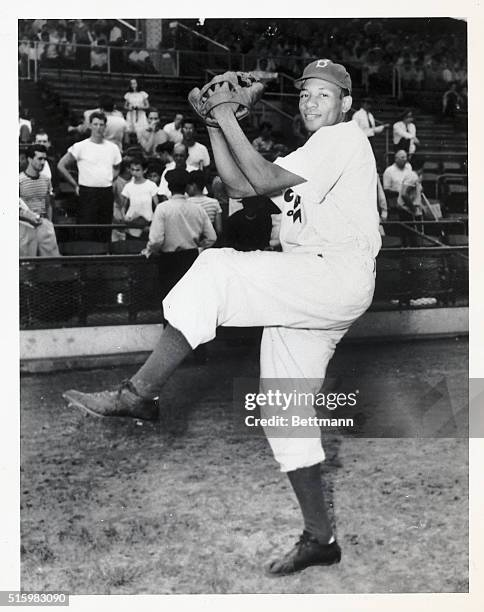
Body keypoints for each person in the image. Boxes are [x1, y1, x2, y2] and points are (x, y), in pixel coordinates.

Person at [63, 59, 380, 577]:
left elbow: (257, 176)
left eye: (324, 94)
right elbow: (238, 185)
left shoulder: (344, 140)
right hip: (310, 286)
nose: (311, 102)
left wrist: (227, 112)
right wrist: (215, 123)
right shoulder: (310, 153)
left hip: (334, 273)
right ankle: (320, 538)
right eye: (305, 94)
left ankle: (139, 394)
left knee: (215, 268)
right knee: (282, 409)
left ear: (345, 104)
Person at [57, 112, 122, 241]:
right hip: (87, 192)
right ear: (90, 126)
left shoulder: (113, 148)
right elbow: (61, 165)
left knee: (104, 230)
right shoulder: (80, 146)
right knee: (86, 230)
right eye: (95, 124)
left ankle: (103, 259)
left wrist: (108, 179)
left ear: (105, 127)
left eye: (101, 125)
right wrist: (75, 184)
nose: (98, 127)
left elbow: (117, 168)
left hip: (106, 193)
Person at [19, 146, 60, 257]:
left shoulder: (46, 180)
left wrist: (49, 223)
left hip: (43, 224)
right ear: (30, 159)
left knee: (51, 263)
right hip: (25, 226)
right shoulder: (19, 181)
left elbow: (49, 204)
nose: (43, 162)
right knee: (28, 266)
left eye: (44, 159)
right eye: (39, 158)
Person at [121, 158, 159, 239]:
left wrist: (153, 224)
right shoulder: (128, 186)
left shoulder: (151, 185)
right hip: (131, 224)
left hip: (147, 224)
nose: (134, 172)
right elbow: (123, 206)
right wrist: (125, 220)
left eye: (137, 170)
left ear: (144, 170)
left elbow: (157, 205)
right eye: (132, 169)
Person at [186, 170, 223, 235]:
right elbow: (219, 229)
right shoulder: (214, 203)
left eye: (188, 186)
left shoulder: (185, 203)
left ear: (193, 186)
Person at [382, 149, 414, 217]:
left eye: (405, 157)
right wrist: (399, 191)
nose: (405, 159)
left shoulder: (409, 167)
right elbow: (386, 189)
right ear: (396, 159)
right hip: (396, 198)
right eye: (402, 157)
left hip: (409, 197)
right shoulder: (389, 171)